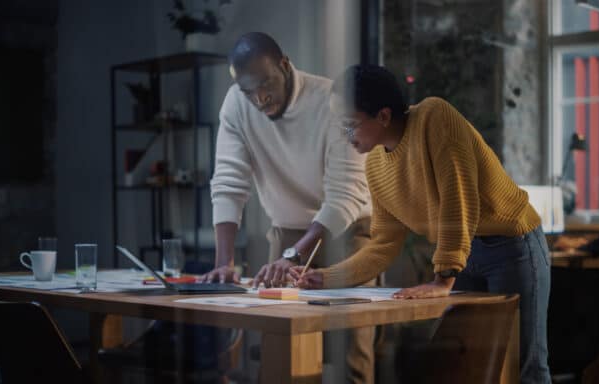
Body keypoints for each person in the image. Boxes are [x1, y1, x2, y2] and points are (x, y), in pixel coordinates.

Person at [292, 64, 552, 383]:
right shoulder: (375, 164)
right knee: (470, 364)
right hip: (466, 256)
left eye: (349, 126)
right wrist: (328, 278)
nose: (345, 137)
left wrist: (442, 279)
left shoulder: (433, 116)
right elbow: (384, 245)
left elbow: (459, 199)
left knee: (524, 364)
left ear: (384, 116)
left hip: (512, 245)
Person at [199, 32, 375, 383]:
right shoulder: (237, 104)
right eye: (250, 91)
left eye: (266, 84)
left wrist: (295, 254)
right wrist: (224, 263)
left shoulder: (331, 101)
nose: (260, 98)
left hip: (348, 230)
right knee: (280, 349)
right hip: (288, 231)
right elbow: (229, 182)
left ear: (285, 64)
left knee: (350, 352)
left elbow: (344, 196)